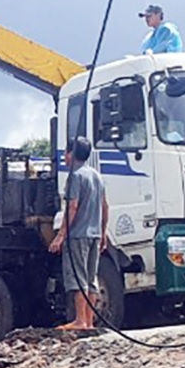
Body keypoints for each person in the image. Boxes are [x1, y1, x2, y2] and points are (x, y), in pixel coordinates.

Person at [50, 137, 109, 331]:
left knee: (79, 278)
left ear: (71, 153)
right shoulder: (97, 176)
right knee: (92, 278)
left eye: (66, 153)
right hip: (95, 235)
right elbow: (105, 206)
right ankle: (89, 322)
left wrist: (60, 236)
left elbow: (72, 207)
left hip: (78, 235)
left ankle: (80, 320)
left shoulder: (75, 177)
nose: (64, 157)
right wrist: (103, 231)